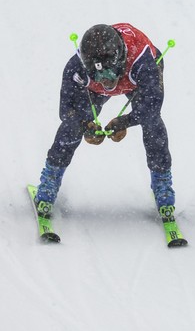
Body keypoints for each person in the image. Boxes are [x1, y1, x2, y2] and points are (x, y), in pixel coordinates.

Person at [33, 23, 179, 224]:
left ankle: (162, 183)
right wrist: (85, 125)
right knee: (73, 125)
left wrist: (125, 121)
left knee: (152, 122)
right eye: (97, 75)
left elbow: (151, 108)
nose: (106, 83)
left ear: (120, 60)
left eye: (109, 75)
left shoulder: (143, 62)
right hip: (103, 84)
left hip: (134, 80)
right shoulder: (76, 67)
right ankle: (50, 179)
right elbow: (65, 111)